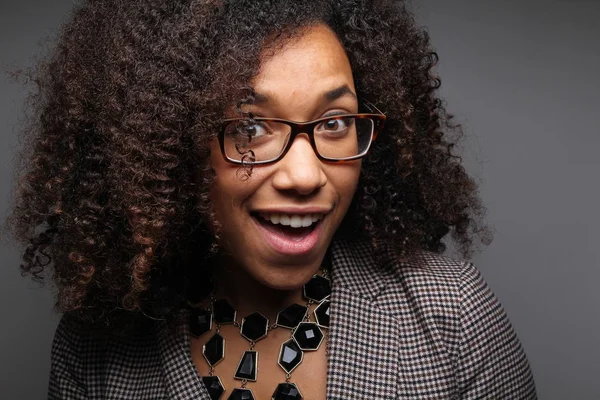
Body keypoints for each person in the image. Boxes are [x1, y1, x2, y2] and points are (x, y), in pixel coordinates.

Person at [5, 0, 537, 399]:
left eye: (335, 123)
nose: (305, 175)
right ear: (164, 147)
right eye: (249, 126)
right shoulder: (94, 350)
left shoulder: (451, 315)